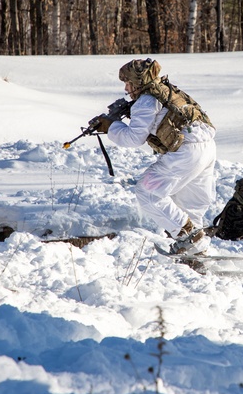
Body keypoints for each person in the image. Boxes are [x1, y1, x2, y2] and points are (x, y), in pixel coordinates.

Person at [92, 58, 217, 254]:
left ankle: (190, 238)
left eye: (128, 83)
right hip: (206, 147)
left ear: (138, 82)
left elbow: (134, 138)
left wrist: (111, 126)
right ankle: (196, 250)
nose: (126, 88)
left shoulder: (146, 101)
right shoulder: (167, 90)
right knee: (188, 205)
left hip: (186, 152)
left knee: (148, 192)